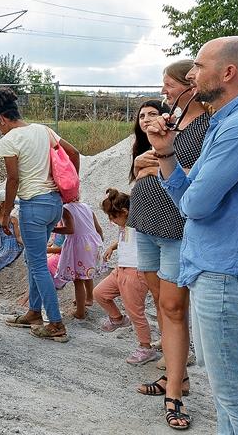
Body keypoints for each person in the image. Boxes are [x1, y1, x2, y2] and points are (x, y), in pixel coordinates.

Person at [146, 36, 238, 434]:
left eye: (198, 65)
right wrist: (167, 153)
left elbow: (195, 205)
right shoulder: (230, 121)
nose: (191, 74)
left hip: (228, 273)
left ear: (227, 72)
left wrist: (188, 188)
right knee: (229, 394)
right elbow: (190, 197)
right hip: (219, 270)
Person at [129, 61, 209, 417]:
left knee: (174, 308)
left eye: (170, 85)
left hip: (177, 228)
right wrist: (143, 165)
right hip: (146, 222)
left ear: (190, 86)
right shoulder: (170, 123)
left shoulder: (209, 125)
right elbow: (140, 167)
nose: (165, 93)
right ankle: (176, 373)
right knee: (162, 304)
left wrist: (157, 162)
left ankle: (174, 391)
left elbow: (200, 174)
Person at [0, 86, 80, 343]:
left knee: (38, 263)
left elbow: (13, 178)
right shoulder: (43, 129)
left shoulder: (9, 140)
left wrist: (5, 214)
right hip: (53, 204)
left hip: (33, 206)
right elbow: (72, 153)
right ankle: (33, 313)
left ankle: (56, 323)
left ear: (2, 119)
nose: (0, 130)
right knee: (33, 258)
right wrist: (73, 185)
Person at [94, 188, 158, 366]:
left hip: (135, 272)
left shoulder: (140, 224)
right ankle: (117, 319)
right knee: (100, 293)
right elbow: (127, 239)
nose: (111, 221)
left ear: (125, 212)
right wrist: (113, 246)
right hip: (120, 269)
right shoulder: (125, 226)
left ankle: (146, 347)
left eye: (113, 217)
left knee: (135, 312)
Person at [53, 199, 104, 320]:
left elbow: (70, 229)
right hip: (93, 243)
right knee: (87, 272)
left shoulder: (65, 209)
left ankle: (80, 312)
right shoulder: (87, 206)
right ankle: (89, 299)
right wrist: (100, 242)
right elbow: (98, 228)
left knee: (78, 279)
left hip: (79, 246)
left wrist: (52, 229)